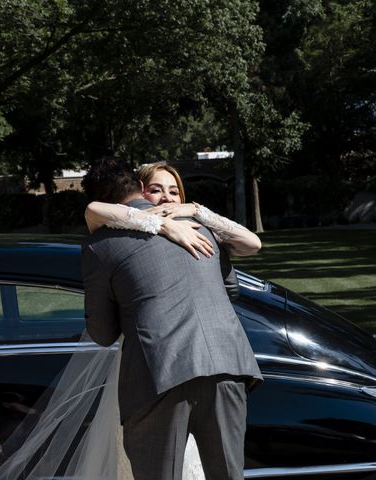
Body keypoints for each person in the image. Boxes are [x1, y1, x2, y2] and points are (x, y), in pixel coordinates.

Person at [81, 157, 262, 480]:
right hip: (228, 363)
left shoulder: (100, 245)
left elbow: (103, 333)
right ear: (139, 187)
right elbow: (230, 290)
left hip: (159, 373)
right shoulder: (200, 229)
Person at [86, 161, 261, 258]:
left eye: (174, 192)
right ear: (140, 191)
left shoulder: (199, 230)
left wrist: (197, 210)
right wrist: (164, 224)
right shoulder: (129, 232)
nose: (167, 198)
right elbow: (94, 209)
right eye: (155, 190)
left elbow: (253, 244)